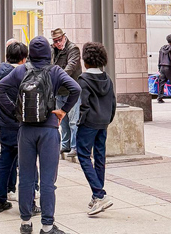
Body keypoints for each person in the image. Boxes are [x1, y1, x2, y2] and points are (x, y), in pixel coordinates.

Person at [0, 36, 81, 234]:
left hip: (25, 129)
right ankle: (47, 226)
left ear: (30, 53)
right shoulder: (55, 71)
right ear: (48, 53)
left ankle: (25, 222)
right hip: (49, 130)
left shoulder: (21, 70)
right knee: (48, 181)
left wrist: (14, 110)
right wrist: (63, 110)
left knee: (25, 177)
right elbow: (76, 88)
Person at [76, 42, 116, 216]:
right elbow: (113, 102)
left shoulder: (83, 80)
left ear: (85, 60)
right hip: (104, 122)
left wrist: (80, 121)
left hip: (89, 123)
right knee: (99, 157)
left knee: (83, 155)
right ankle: (96, 195)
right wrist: (108, 118)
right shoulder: (107, 79)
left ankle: (99, 195)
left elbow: (83, 105)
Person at [0, 42, 28, 213]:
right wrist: (16, 110)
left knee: (4, 161)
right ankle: (28, 203)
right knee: (27, 165)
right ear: (24, 58)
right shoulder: (23, 74)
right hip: (22, 124)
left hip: (5, 124)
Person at [50, 28, 82, 157]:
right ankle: (65, 145)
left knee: (73, 121)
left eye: (59, 40)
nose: (58, 43)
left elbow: (71, 66)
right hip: (59, 91)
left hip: (71, 90)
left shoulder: (72, 49)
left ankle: (75, 147)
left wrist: (57, 77)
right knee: (62, 120)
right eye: (55, 41)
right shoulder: (53, 50)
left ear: (64, 37)